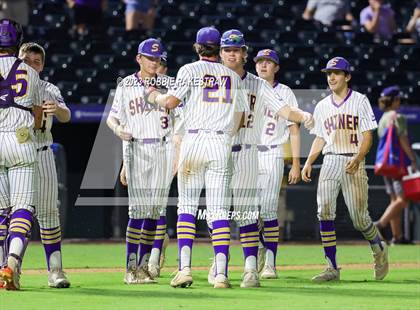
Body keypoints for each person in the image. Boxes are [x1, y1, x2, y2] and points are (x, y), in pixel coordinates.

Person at [206, 30, 313, 288]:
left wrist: (302, 116)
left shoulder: (259, 84)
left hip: (248, 152)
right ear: (220, 53)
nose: (232, 54)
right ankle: (220, 267)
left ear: (244, 53)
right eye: (227, 50)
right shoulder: (212, 80)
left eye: (237, 49)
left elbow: (284, 110)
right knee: (214, 214)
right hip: (218, 151)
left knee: (248, 214)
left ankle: (251, 269)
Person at [146, 26, 249, 289]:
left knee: (188, 208)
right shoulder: (233, 76)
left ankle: (185, 270)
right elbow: (240, 117)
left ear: (197, 47)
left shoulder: (189, 70)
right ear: (220, 49)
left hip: (193, 140)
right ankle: (222, 274)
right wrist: (226, 136)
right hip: (220, 142)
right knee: (218, 212)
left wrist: (154, 95)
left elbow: (170, 102)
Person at [301, 56, 389, 282]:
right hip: (330, 160)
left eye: (336, 73)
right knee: (324, 211)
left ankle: (378, 247)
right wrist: (309, 162)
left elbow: (368, 135)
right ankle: (331, 267)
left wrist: (360, 157)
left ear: (347, 76)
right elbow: (320, 138)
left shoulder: (359, 100)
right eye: (329, 73)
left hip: (353, 160)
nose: (331, 77)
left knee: (359, 219)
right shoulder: (322, 105)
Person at [107, 38, 172, 285]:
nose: (154, 62)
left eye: (158, 58)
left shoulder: (170, 85)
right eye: (150, 58)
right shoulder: (125, 85)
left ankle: (144, 267)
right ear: (139, 59)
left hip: (164, 150)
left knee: (154, 213)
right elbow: (111, 119)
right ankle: (130, 268)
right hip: (138, 149)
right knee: (138, 211)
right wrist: (118, 131)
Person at [18, 42, 71, 288]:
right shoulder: (7, 86)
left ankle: (56, 271)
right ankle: (10, 269)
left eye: (36, 62)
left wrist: (58, 108)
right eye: (26, 60)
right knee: (11, 214)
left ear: (43, 65)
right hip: (16, 153)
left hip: (42, 152)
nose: (31, 65)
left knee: (49, 213)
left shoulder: (48, 88)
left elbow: (66, 114)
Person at [0, 18, 42, 290]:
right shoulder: (30, 71)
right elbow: (37, 115)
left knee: (1, 211)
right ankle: (12, 263)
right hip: (21, 139)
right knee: (22, 209)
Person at [253, 49, 301, 279]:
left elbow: (294, 129)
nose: (263, 65)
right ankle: (255, 255)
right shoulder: (247, 86)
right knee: (248, 212)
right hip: (247, 154)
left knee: (269, 209)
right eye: (260, 61)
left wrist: (296, 163)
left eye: (268, 62)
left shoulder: (285, 92)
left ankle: (270, 263)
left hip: (272, 152)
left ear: (276, 68)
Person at [375, 86, 417, 245]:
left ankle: (397, 237)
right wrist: (412, 159)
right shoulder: (397, 117)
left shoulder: (383, 118)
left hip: (385, 164)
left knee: (394, 200)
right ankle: (379, 225)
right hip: (397, 165)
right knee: (402, 200)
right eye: (399, 99)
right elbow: (403, 140)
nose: (400, 102)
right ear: (394, 101)